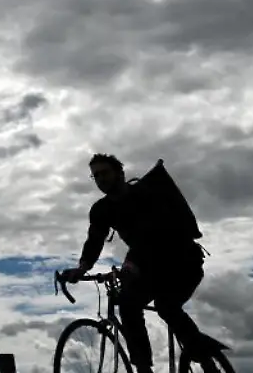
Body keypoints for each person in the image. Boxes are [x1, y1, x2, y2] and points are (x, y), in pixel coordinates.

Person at [60, 153, 209, 373]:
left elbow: (153, 235)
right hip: (151, 269)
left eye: (105, 173)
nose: (100, 179)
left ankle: (206, 360)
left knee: (166, 306)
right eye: (95, 176)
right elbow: (94, 239)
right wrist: (82, 268)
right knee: (128, 304)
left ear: (120, 173)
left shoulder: (146, 194)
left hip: (183, 262)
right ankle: (143, 368)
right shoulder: (101, 210)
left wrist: (131, 264)